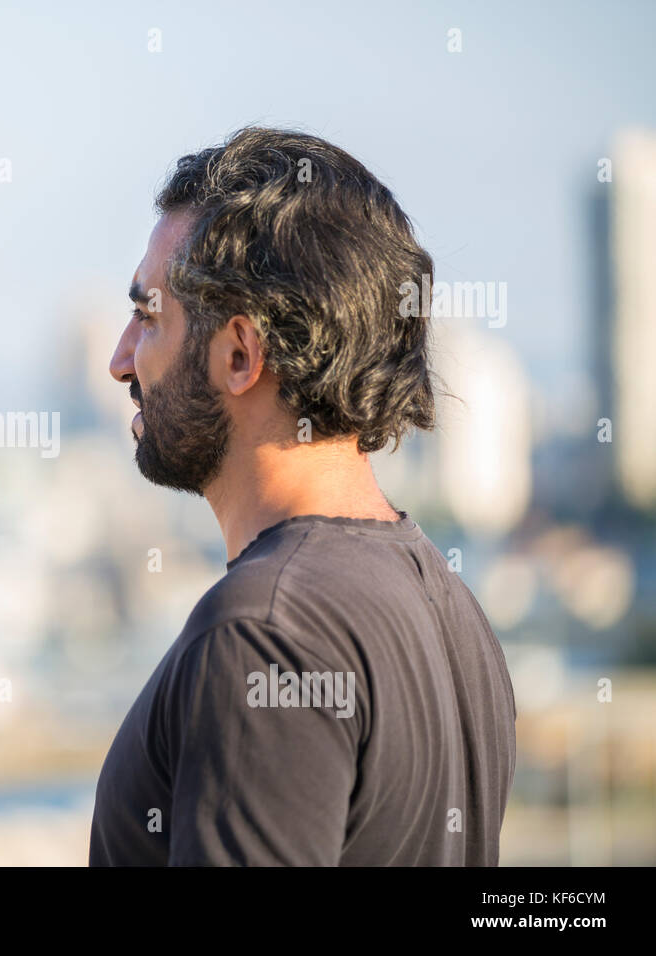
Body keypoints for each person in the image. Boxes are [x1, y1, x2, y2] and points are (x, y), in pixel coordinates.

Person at [89, 127, 517, 866]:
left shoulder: (262, 633)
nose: (120, 358)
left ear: (239, 354)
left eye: (148, 315)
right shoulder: (453, 610)